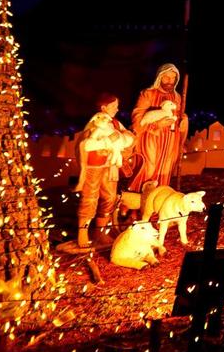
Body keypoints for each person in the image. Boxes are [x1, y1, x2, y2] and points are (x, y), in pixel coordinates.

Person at [75, 93, 134, 248]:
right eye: (114, 106)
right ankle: (83, 232)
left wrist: (124, 139)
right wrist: (108, 142)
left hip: (110, 166)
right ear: (104, 108)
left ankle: (100, 232)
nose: (117, 109)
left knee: (109, 197)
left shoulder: (115, 123)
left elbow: (128, 135)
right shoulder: (97, 123)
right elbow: (86, 144)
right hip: (94, 167)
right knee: (90, 197)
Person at [128, 63, 188, 192]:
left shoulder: (177, 97)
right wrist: (156, 125)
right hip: (150, 138)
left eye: (173, 78)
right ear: (159, 77)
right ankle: (136, 201)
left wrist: (184, 121)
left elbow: (179, 116)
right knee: (148, 168)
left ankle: (157, 202)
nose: (169, 81)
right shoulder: (148, 94)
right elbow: (138, 118)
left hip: (170, 139)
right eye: (166, 77)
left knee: (164, 170)